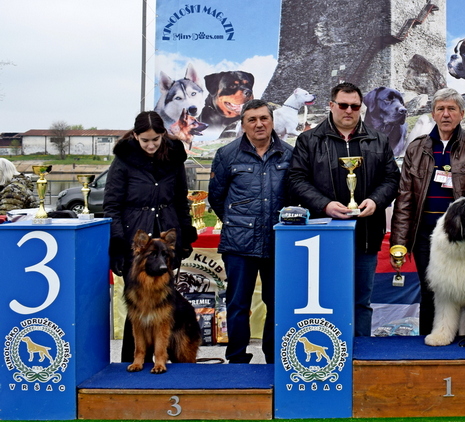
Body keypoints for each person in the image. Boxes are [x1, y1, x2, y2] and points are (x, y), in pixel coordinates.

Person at [288, 82, 400, 337]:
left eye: (355, 106)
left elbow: (392, 179)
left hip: (366, 235)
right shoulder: (309, 140)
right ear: (331, 105)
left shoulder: (379, 140)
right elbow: (296, 180)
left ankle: (361, 355)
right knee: (326, 302)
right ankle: (329, 352)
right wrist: (324, 205)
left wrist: (376, 201)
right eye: (343, 105)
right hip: (322, 239)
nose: (349, 110)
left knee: (361, 302)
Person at [390, 88, 465, 335]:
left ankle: (463, 343)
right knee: (431, 292)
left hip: (461, 236)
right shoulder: (416, 148)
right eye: (440, 109)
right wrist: (399, 243)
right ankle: (430, 345)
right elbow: (404, 198)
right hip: (425, 236)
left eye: (451, 109)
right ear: (433, 114)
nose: (446, 114)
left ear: (462, 114)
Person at [104, 111, 197, 363]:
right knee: (137, 306)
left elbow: (181, 201)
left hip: (166, 238)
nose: (151, 145)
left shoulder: (174, 158)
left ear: (163, 134)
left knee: (165, 304)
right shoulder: (123, 161)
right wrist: (117, 244)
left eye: (155, 139)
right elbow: (112, 206)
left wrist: (185, 235)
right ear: (135, 136)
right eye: (145, 140)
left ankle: (167, 357)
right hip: (135, 242)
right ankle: (132, 360)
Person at [208, 99, 292, 364]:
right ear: (243, 124)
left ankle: (274, 359)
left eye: (264, 118)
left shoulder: (289, 154)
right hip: (239, 244)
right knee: (237, 305)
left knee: (277, 304)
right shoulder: (226, 155)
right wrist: (239, 223)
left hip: (278, 243)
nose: (259, 124)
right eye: (252, 119)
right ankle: (236, 360)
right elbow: (216, 198)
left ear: (272, 121)